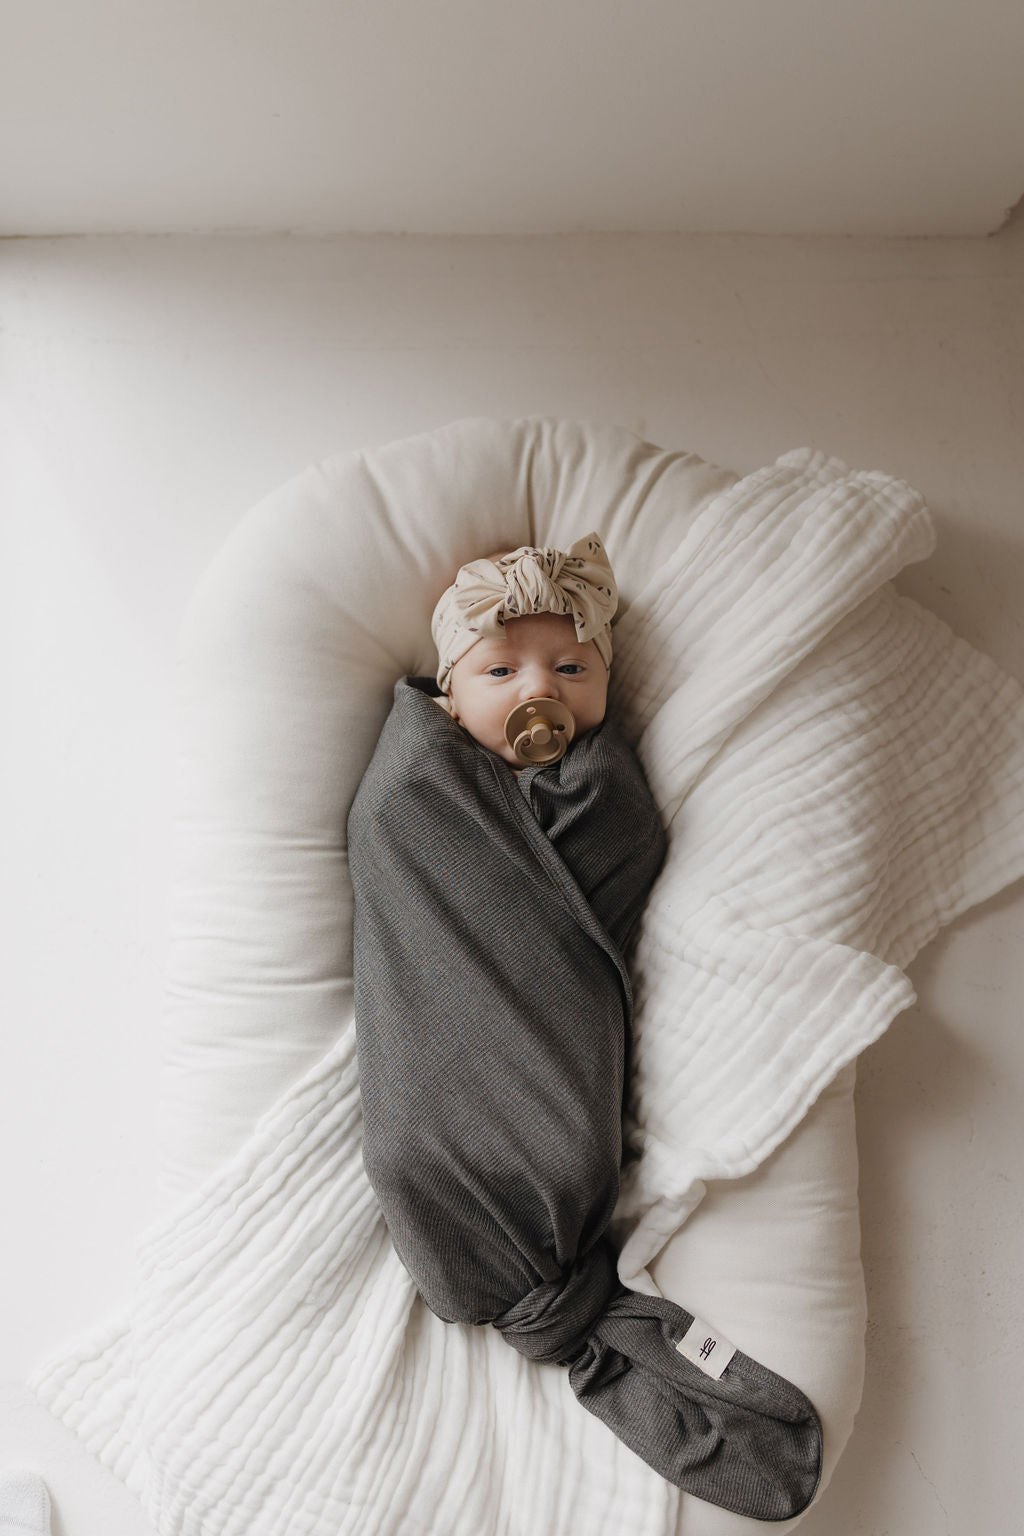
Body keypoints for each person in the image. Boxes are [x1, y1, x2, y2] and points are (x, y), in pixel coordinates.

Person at [429, 532, 617, 773]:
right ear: (453, 696)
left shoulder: (606, 763)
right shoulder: (426, 743)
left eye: (569, 669)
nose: (540, 689)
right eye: (501, 671)